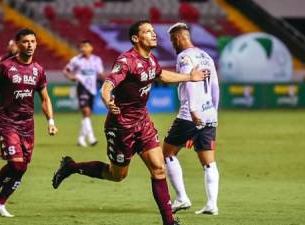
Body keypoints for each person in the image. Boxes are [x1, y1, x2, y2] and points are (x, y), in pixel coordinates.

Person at [51, 20, 209, 225]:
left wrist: (189, 77)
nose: (153, 34)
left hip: (143, 123)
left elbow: (161, 75)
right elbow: (109, 83)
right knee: (117, 175)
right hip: (121, 127)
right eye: (147, 32)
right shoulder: (126, 61)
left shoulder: (151, 60)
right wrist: (107, 99)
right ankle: (72, 167)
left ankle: (169, 222)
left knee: (159, 168)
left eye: (153, 31)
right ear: (136, 38)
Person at [0, 28, 58, 217]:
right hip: (8, 122)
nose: (29, 45)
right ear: (17, 44)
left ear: (36, 44)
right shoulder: (5, 67)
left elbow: (45, 98)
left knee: (22, 167)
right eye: (25, 42)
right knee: (15, 164)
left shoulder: (38, 70)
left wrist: (51, 121)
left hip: (27, 124)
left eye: (32, 41)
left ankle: (2, 203)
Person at [163, 22, 220, 215]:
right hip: (210, 113)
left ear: (179, 38)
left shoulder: (184, 56)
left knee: (167, 153)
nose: (172, 44)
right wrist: (214, 111)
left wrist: (194, 111)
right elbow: (215, 87)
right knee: (209, 162)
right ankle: (212, 204)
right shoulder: (206, 56)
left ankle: (181, 198)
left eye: (172, 40)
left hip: (190, 114)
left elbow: (188, 81)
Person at [63, 40, 104, 147]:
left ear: (91, 48)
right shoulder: (76, 60)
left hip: (92, 88)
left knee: (88, 114)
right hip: (82, 86)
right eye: (81, 47)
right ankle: (91, 138)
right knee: (85, 111)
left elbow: (100, 74)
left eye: (85, 46)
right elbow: (66, 70)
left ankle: (81, 139)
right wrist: (71, 77)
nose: (83, 49)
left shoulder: (97, 60)